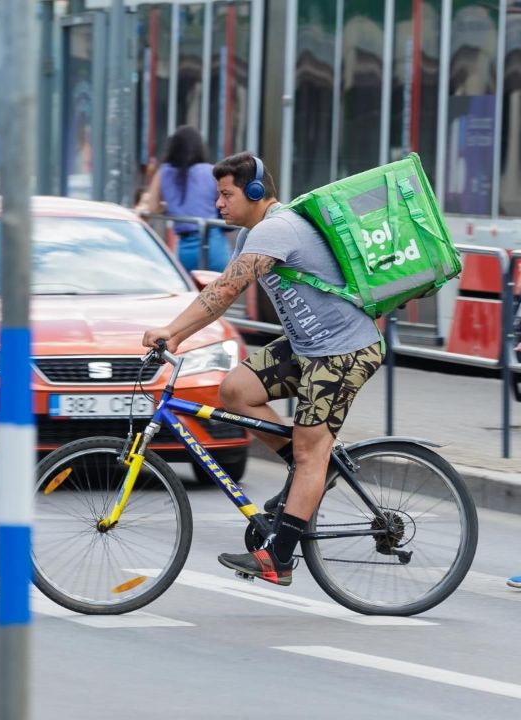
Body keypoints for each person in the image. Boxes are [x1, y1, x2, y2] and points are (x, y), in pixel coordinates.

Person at [142, 152, 384, 587]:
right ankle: (309, 477)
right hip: (308, 347)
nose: (218, 204)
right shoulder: (251, 236)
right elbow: (222, 291)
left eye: (225, 194)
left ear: (255, 193)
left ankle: (280, 556)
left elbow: (224, 291)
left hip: (344, 350)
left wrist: (173, 333)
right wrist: (178, 331)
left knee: (311, 450)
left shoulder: (278, 228)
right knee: (235, 390)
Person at [137, 126, 231, 272]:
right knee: (221, 293)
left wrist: (173, 208)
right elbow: (226, 204)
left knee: (191, 294)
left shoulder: (164, 172)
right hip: (214, 243)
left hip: (186, 248)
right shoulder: (212, 172)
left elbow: (153, 207)